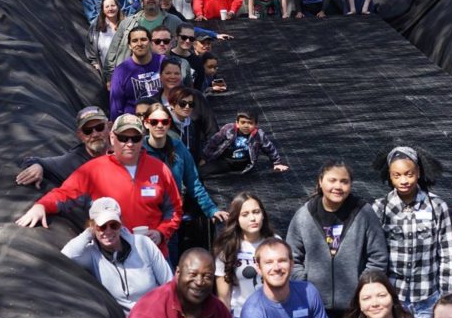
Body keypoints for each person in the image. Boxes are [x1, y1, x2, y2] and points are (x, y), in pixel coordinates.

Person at [15, 114, 183, 257]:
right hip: (111, 256)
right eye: (123, 138)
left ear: (142, 140)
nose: (129, 144)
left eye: (135, 138)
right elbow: (65, 194)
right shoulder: (93, 170)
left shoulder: (160, 169)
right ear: (112, 137)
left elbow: (174, 209)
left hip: (153, 254)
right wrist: (41, 206)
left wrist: (161, 233)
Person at [286, 162, 389, 318]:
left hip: (356, 307)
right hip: (316, 308)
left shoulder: (363, 213)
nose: (338, 186)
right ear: (320, 181)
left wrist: (363, 288)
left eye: (344, 181)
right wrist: (306, 286)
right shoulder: (304, 215)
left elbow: (378, 256)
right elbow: (291, 257)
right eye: (332, 180)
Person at [371, 146, 452, 318]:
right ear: (389, 176)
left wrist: (446, 297)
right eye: (397, 175)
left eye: (408, 174)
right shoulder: (380, 208)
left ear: (418, 172)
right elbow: (374, 254)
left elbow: (447, 254)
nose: (403, 180)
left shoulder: (437, 206)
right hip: (394, 299)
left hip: (427, 299)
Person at [142, 102, 226, 259]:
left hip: (169, 219)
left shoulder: (178, 147)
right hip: (145, 217)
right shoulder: (139, 151)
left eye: (164, 122)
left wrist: (211, 210)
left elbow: (193, 181)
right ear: (146, 123)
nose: (159, 126)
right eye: (154, 122)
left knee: (170, 262)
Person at [62, 196, 172, 314]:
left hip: (158, 314)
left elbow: (169, 283)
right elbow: (65, 257)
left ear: (121, 224)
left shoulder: (143, 243)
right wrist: (89, 233)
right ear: (93, 227)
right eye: (102, 226)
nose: (108, 231)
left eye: (114, 225)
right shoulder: (92, 254)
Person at [214, 193, 278, 318]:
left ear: (263, 214)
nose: (253, 218)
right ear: (236, 219)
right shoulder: (227, 248)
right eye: (245, 214)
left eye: (256, 212)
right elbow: (224, 296)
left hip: (274, 317)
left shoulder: (276, 243)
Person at [15, 106, 111, 188]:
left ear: (109, 127)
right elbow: (36, 161)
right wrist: (37, 166)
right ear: (80, 135)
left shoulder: (122, 149)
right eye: (87, 131)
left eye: (99, 127)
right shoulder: (73, 161)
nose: (95, 134)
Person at [200, 110, 289, 177]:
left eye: (250, 123)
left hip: (245, 165)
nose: (246, 126)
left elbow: (269, 148)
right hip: (226, 161)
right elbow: (213, 142)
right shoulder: (229, 129)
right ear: (237, 123)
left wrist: (277, 163)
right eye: (243, 122)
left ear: (255, 125)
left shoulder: (258, 134)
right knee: (203, 171)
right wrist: (204, 157)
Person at [109, 0, 183, 66]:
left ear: (160, 0)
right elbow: (113, 50)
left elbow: (185, 45)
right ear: (142, 1)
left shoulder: (174, 21)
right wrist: (109, 75)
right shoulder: (127, 23)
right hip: (131, 70)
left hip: (163, 71)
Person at [109, 26, 164, 117]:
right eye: (134, 41)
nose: (139, 44)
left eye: (143, 39)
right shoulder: (121, 71)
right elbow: (116, 107)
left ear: (150, 42)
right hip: (133, 124)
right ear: (129, 46)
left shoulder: (163, 62)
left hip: (160, 121)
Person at [86, 0, 123, 85]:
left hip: (127, 71)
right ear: (102, 10)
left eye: (112, 5)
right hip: (108, 75)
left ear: (118, 7)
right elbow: (90, 46)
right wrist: (95, 63)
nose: (110, 9)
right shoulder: (96, 27)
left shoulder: (126, 24)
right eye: (107, 7)